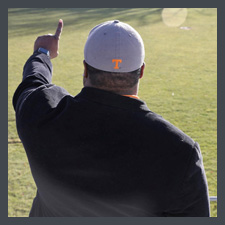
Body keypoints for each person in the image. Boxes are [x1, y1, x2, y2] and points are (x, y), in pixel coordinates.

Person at [13, 19, 210, 217]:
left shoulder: (41, 117)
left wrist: (42, 53)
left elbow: (33, 82)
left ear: (85, 69)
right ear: (141, 71)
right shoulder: (181, 152)